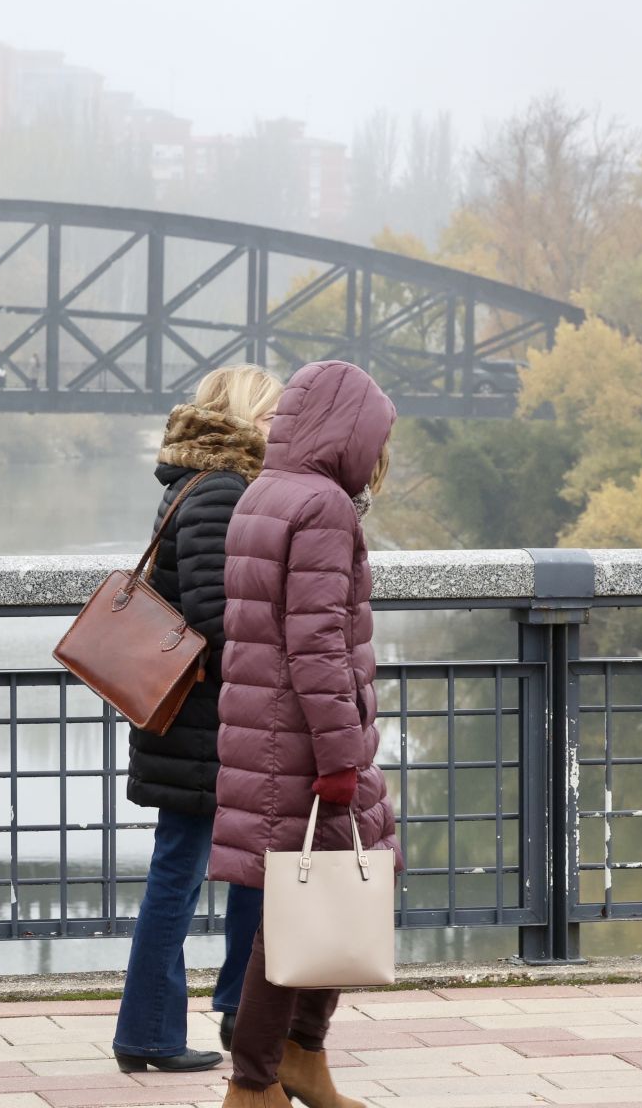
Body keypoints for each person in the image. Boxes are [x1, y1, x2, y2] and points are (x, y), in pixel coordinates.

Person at [212, 360, 398, 1108]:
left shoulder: (265, 492)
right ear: (348, 432)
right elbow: (317, 644)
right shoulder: (323, 507)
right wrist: (340, 758)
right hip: (307, 741)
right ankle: (257, 1081)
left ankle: (300, 1060)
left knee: (317, 898)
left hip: (266, 734)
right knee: (314, 905)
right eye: (378, 438)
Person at [112, 363, 285, 1074]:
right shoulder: (220, 492)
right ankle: (153, 1031)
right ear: (244, 418)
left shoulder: (205, 484)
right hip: (206, 723)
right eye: (272, 414)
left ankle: (234, 1012)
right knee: (185, 869)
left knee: (237, 864)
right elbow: (219, 617)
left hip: (203, 723)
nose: (282, 427)